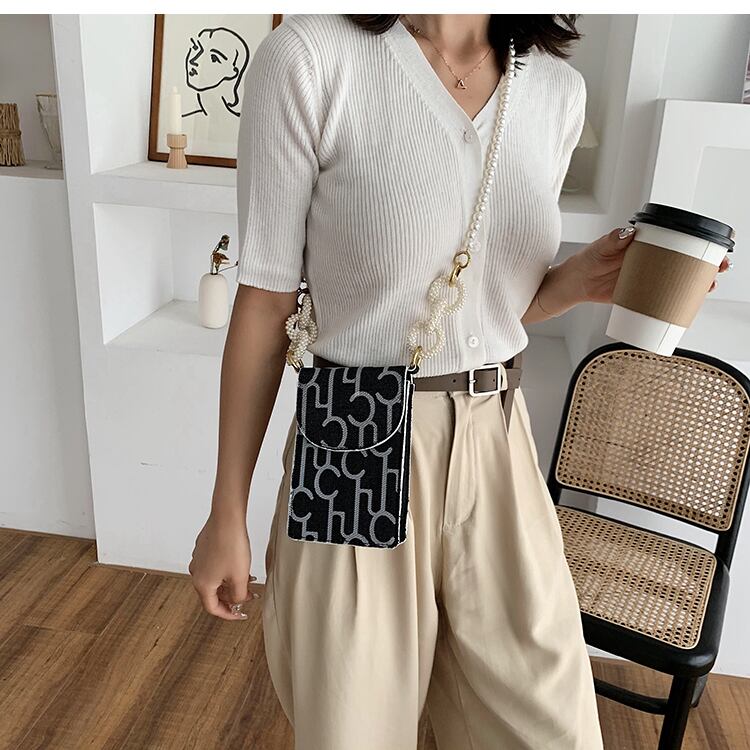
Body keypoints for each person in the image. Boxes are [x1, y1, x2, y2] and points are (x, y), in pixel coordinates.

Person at [189, 14, 729, 750]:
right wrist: (226, 510)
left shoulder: (556, 91)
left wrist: (573, 283)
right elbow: (265, 301)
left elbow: (481, 311)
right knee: (354, 729)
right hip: (353, 439)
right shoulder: (313, 58)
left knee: (551, 730)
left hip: (497, 439)